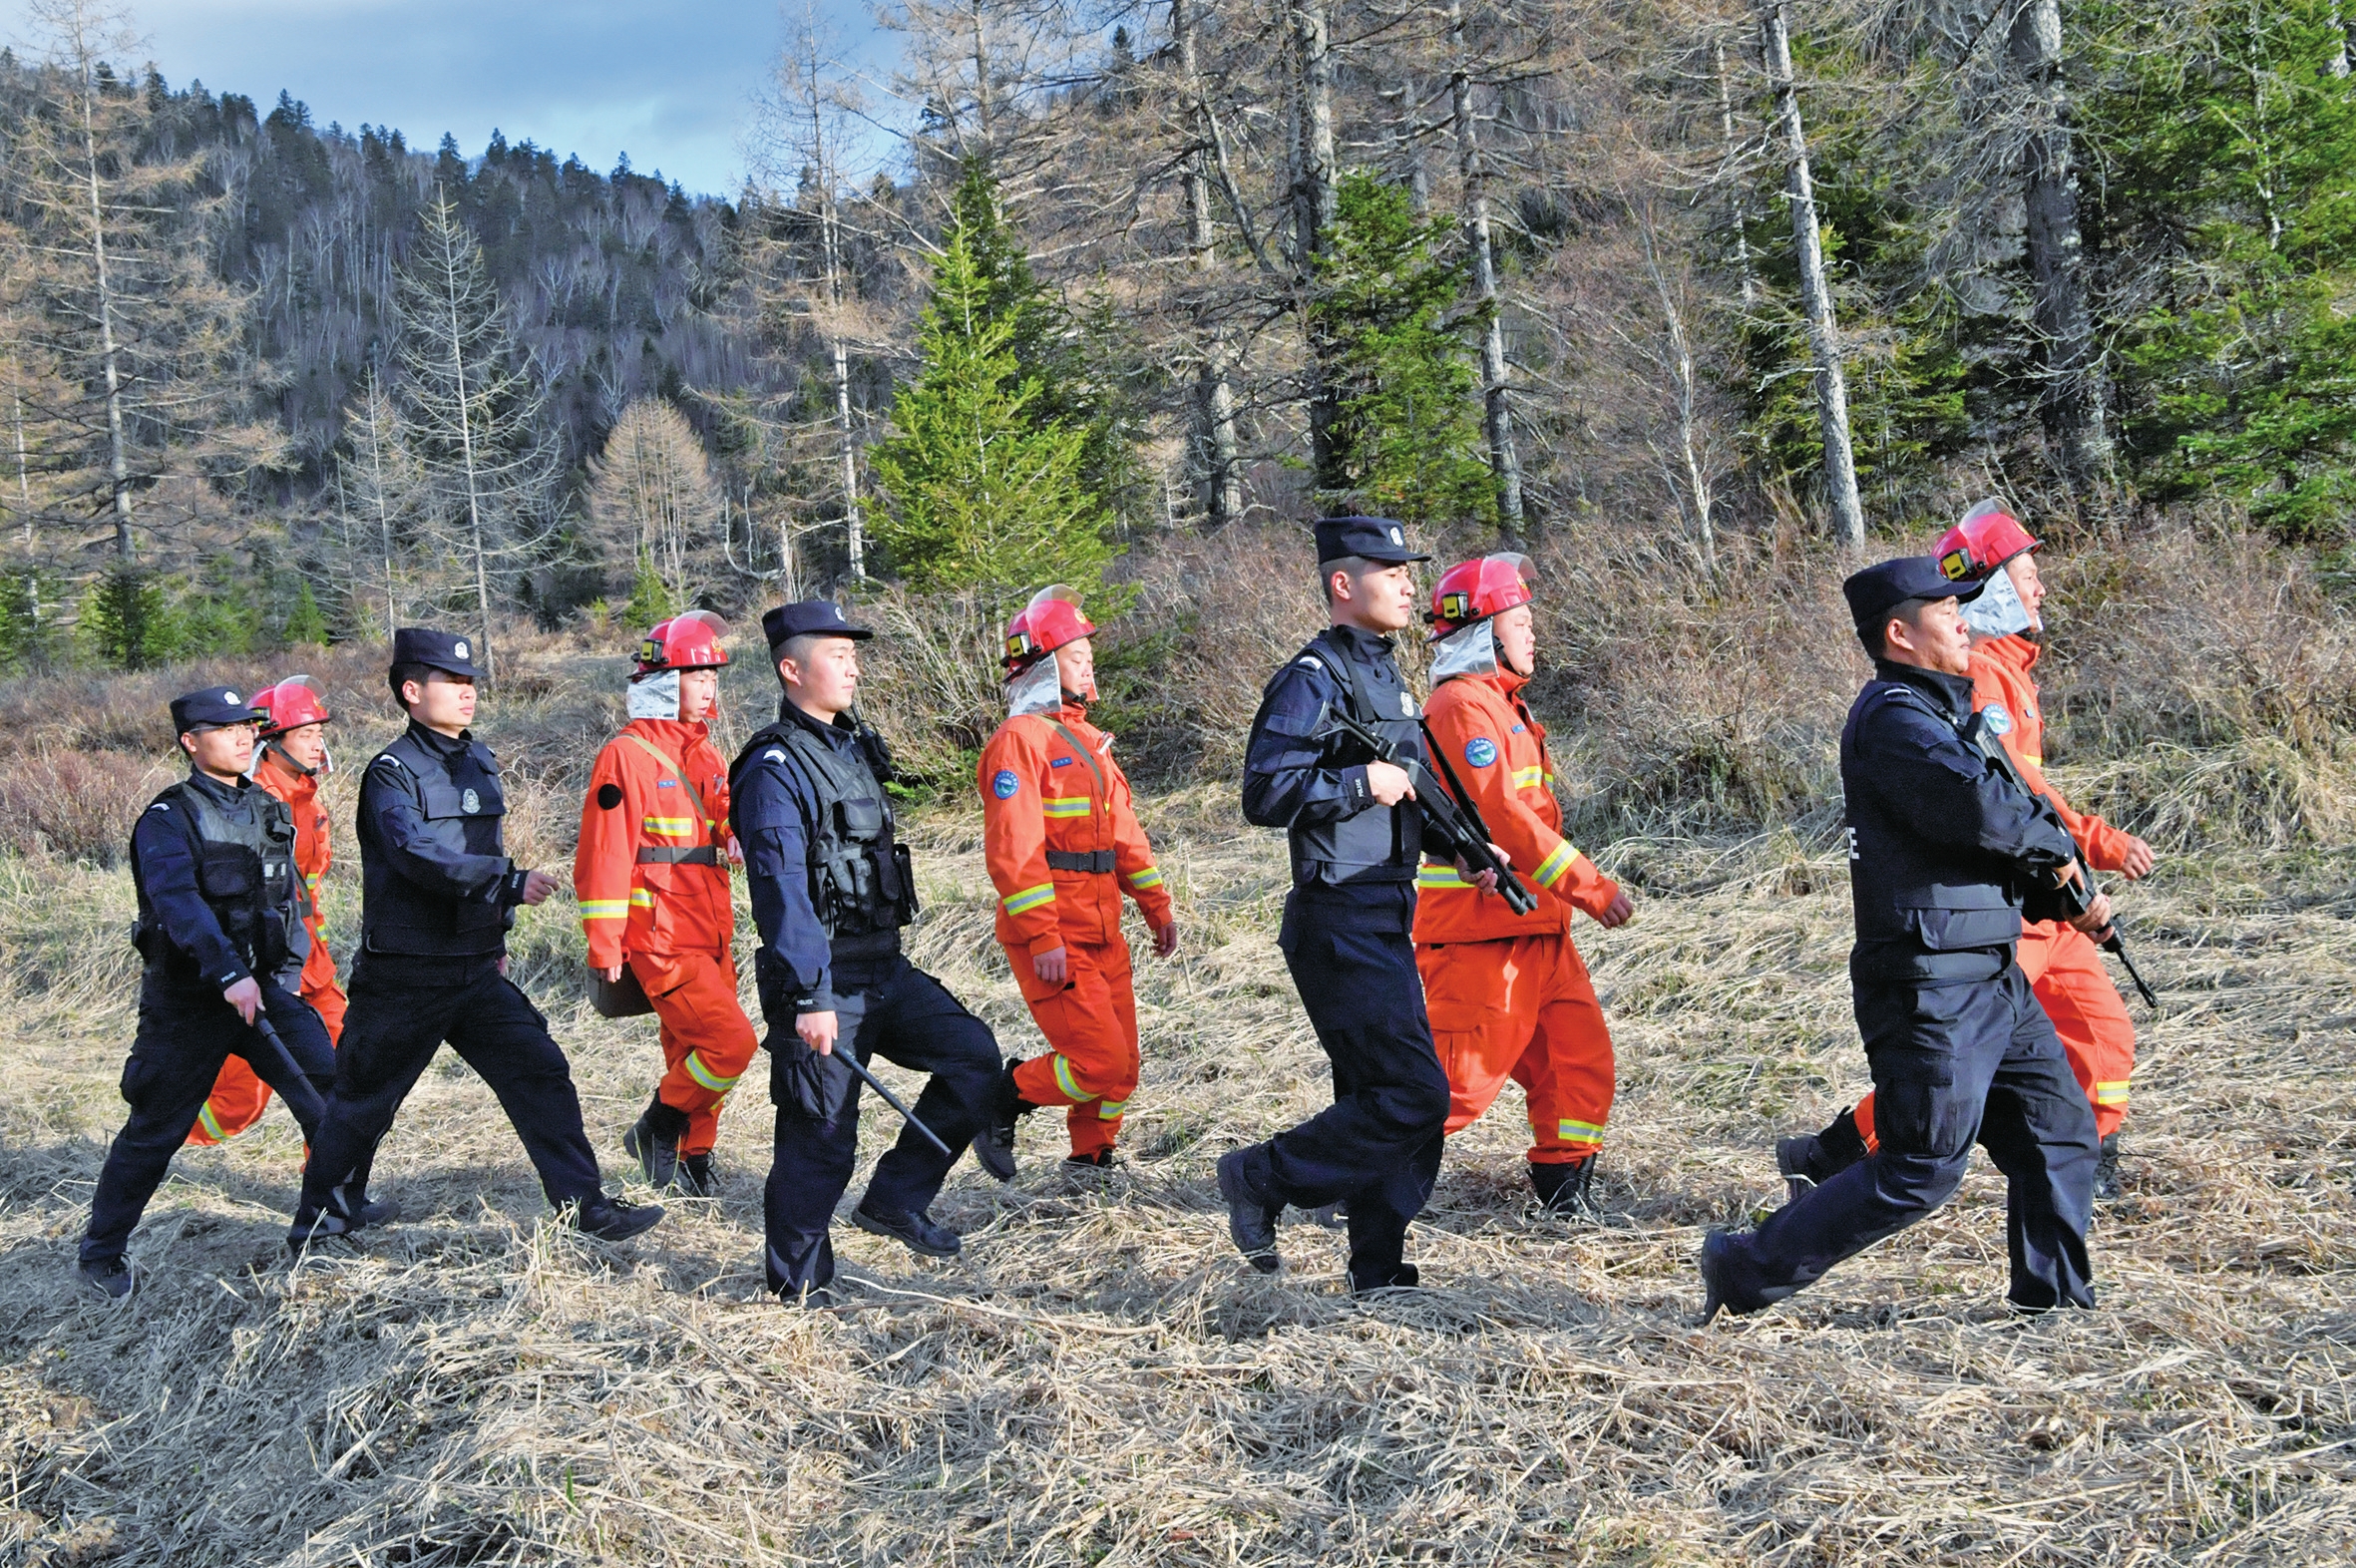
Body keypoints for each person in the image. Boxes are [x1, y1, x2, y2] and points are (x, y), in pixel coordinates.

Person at [1700, 558, 2108, 1320]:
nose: (1961, 619)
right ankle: (1746, 1269)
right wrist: (2058, 855)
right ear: (1899, 632)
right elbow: (1988, 816)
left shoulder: (1947, 709)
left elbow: (1997, 828)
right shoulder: (1894, 717)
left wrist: (2058, 886)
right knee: (1920, 1167)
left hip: (1988, 970)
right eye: (1944, 609)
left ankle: (2053, 1308)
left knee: (2058, 1134)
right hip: (1930, 981)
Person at [1779, 503, 2154, 1202]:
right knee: (1949, 1080)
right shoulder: (1972, 677)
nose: (2041, 589)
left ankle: (2084, 1166)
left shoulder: (2009, 670)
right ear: (1993, 587)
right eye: (2029, 575)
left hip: (2048, 908)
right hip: (2009, 912)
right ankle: (1829, 1157)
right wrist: (2092, 849)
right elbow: (2013, 799)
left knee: (2103, 1037)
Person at [286, 629, 662, 1248]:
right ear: (412, 692)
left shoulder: (479, 760)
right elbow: (417, 854)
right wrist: (506, 883)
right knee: (364, 1102)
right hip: (407, 973)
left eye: (471, 683)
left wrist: (498, 929)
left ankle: (585, 1208)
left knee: (539, 1072)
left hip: (476, 967)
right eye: (452, 682)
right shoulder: (391, 772)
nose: (467, 692)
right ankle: (323, 1226)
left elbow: (481, 846)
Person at [1216, 516, 1485, 1295]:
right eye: (1390, 569)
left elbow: (1412, 787)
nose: (1409, 582)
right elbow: (1265, 791)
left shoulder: (1386, 676)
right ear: (1343, 583)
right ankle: (1260, 1176)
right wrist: (1356, 783)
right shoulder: (1314, 675)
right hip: (1338, 916)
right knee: (1415, 1095)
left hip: (1384, 910)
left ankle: (1377, 1269)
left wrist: (1464, 849)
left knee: (1387, 1098)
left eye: (1410, 570)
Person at [729, 600, 1011, 1305]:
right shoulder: (773, 766)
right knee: (820, 1139)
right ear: (792, 670)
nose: (852, 665)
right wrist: (810, 995)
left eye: (855, 654)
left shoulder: (851, 747)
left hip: (883, 964)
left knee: (973, 1056)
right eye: (836, 654)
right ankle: (796, 1289)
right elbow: (782, 894)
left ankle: (895, 1197)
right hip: (821, 977)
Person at [78, 686, 339, 1297]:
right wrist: (229, 973)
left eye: (248, 726)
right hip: (190, 1004)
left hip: (267, 992)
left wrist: (282, 974)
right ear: (191, 743)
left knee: (331, 1097)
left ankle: (326, 1219)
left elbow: (293, 901)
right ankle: (101, 1254)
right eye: (225, 729)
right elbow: (178, 906)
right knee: (155, 1130)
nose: (245, 735)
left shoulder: (267, 808)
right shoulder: (168, 819)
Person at [1413, 554, 1634, 1216]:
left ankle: (1564, 1197)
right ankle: (1341, 1180)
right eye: (1520, 619)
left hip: (1536, 927)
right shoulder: (1461, 707)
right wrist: (1590, 887)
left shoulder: (1504, 708)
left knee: (1578, 1063)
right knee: (1456, 1086)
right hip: (1483, 932)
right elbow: (1504, 817)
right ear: (1483, 630)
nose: (1532, 633)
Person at [977, 587, 1179, 1172]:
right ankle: (1003, 1094)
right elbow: (1013, 853)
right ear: (1042, 665)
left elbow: (1125, 838)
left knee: (1125, 1069)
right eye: (1074, 653)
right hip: (1056, 935)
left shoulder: (1090, 741)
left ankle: (1091, 1160)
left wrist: (1155, 905)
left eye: (1087, 650)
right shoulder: (1019, 740)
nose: (1088, 661)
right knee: (1099, 1062)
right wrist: (1042, 936)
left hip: (1103, 931)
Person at [576, 612, 757, 1197]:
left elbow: (722, 818)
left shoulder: (704, 752)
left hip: (712, 926)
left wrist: (737, 833)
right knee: (730, 1043)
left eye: (713, 677)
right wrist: (603, 944)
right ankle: (654, 1127)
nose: (709, 688)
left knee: (689, 1047)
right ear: (662, 679)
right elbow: (605, 852)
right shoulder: (625, 755)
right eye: (696, 675)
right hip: (659, 935)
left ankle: (691, 1158)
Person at [183, 676, 357, 1150]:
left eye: (320, 733)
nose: (319, 744)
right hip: (263, 972)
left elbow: (306, 897)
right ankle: (168, 1138)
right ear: (271, 742)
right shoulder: (250, 804)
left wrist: (314, 960)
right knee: (241, 1096)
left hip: (310, 965)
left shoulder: (308, 798)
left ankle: (331, 1187)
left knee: (345, 1070)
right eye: (306, 734)